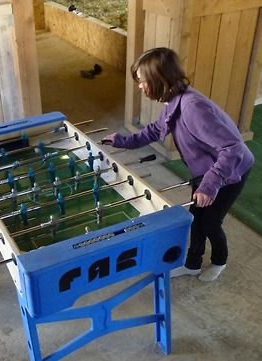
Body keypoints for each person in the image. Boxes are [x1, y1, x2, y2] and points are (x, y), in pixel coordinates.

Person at [102, 47, 254, 282]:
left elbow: (232, 148)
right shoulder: (174, 100)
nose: (140, 87)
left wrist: (210, 185)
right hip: (206, 171)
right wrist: (123, 141)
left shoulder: (193, 108)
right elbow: (155, 130)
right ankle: (192, 263)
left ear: (158, 78)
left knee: (211, 222)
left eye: (142, 81)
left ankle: (219, 261)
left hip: (231, 171)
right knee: (196, 217)